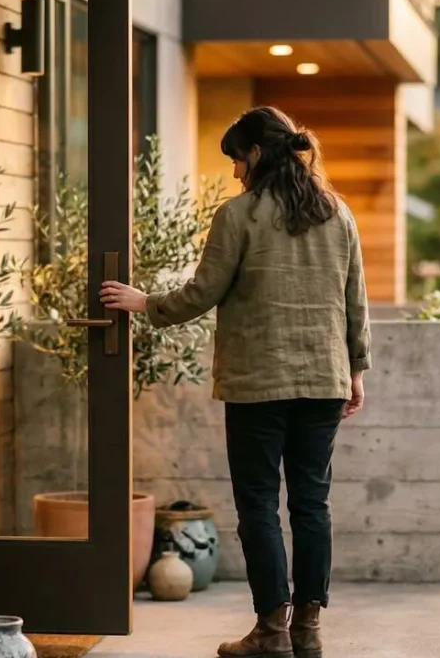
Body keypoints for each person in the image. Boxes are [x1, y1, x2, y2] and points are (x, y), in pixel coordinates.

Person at [100, 106, 371, 658]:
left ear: (255, 154)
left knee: (258, 506)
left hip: (257, 384)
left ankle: (271, 632)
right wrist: (356, 370)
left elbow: (202, 293)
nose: (233, 172)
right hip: (325, 380)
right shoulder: (338, 214)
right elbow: (355, 302)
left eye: (235, 159)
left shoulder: (239, 215)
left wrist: (144, 302)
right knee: (312, 507)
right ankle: (308, 630)